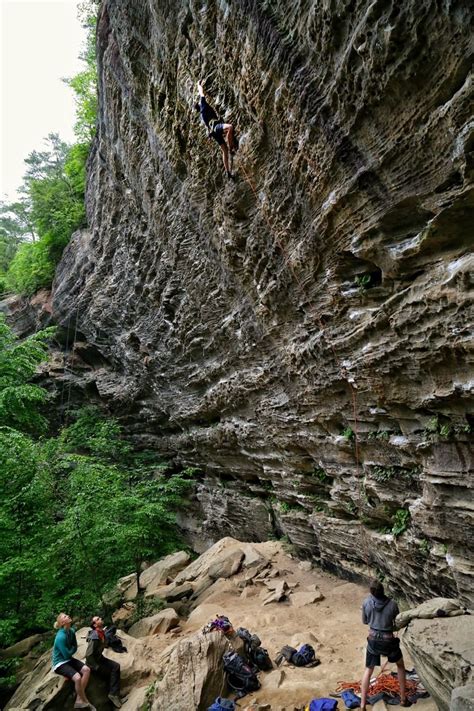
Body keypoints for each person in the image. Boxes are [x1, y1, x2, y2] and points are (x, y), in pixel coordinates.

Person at [360, 579, 412, 710]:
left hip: (373, 640)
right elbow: (396, 623)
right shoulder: (393, 604)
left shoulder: (366, 602)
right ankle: (403, 699)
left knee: (368, 670)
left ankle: (362, 705)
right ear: (383, 590)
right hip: (389, 641)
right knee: (400, 666)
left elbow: (365, 621)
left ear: (371, 592)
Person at [195, 82, 238, 179]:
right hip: (216, 126)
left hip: (213, 132)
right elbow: (201, 92)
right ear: (199, 104)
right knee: (230, 127)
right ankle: (231, 148)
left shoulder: (202, 115)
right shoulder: (203, 105)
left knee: (224, 150)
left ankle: (227, 172)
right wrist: (199, 84)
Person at [52, 612, 93, 710]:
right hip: (59, 663)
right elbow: (67, 654)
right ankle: (86, 701)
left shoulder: (71, 631)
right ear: (62, 623)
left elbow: (74, 647)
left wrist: (71, 650)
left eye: (67, 615)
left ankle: (79, 699)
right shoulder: (60, 637)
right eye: (65, 616)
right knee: (77, 677)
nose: (68, 616)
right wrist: (71, 650)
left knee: (86, 670)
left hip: (68, 659)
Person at [86, 615, 123, 708]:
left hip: (100, 658)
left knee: (116, 666)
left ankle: (115, 695)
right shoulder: (94, 636)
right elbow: (88, 654)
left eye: (99, 618)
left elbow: (105, 644)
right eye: (97, 619)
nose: (100, 619)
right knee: (112, 671)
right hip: (94, 662)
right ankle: (113, 695)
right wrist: (95, 667)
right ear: (95, 625)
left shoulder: (102, 633)